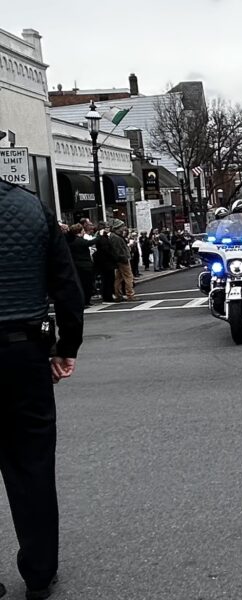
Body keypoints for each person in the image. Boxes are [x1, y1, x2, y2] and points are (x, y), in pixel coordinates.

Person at [0, 180, 84, 600]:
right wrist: (66, 346)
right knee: (31, 464)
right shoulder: (32, 209)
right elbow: (66, 284)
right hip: (21, 351)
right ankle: (38, 573)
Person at [65, 223, 97, 307]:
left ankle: (86, 301)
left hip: (77, 265)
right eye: (82, 230)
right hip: (84, 265)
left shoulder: (71, 241)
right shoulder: (79, 240)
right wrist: (99, 236)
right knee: (86, 284)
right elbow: (90, 242)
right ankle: (85, 301)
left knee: (83, 284)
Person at [110, 220, 136, 301]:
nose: (124, 228)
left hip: (121, 259)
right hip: (122, 259)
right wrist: (124, 257)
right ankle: (130, 294)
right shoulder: (116, 237)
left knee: (119, 278)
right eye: (122, 226)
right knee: (128, 277)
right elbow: (118, 250)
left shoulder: (115, 236)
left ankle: (118, 294)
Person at [93, 222, 116, 303]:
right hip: (106, 262)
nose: (108, 229)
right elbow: (106, 250)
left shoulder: (102, 237)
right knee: (108, 280)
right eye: (106, 227)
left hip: (104, 262)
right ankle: (108, 296)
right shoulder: (102, 238)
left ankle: (107, 296)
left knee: (107, 280)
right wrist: (113, 256)